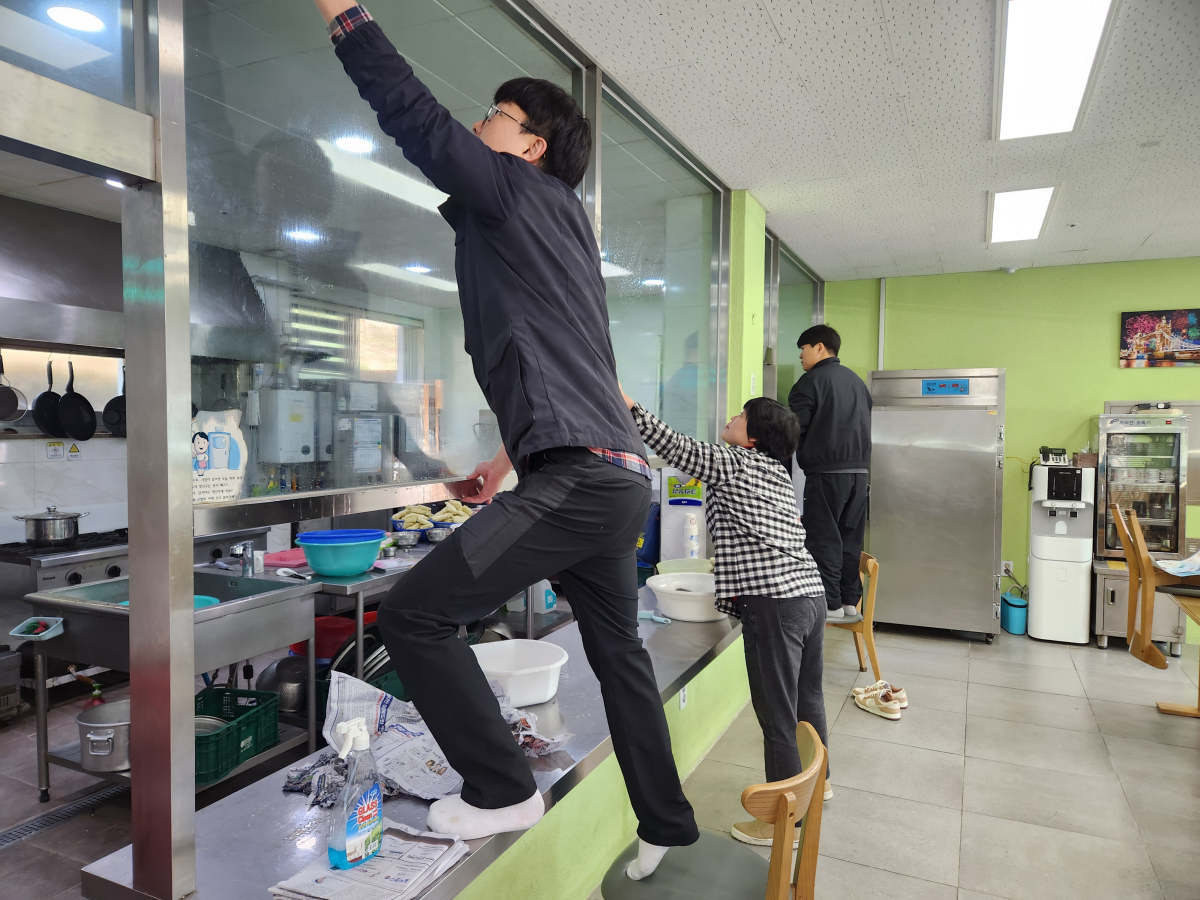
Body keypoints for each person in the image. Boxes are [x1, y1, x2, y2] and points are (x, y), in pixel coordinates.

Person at [310, 0, 698, 878]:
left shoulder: (515, 190)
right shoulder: (564, 232)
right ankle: (666, 822)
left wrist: (345, 16)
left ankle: (500, 788)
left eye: (496, 115)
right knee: (619, 658)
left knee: (414, 614)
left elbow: (412, 114)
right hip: (614, 478)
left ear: (530, 147)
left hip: (581, 480)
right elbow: (579, 373)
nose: (479, 123)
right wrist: (500, 462)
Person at [622, 390, 830, 848]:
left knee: (777, 715)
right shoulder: (776, 471)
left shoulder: (735, 462)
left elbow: (673, 444)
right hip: (810, 595)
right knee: (808, 700)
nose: (732, 417)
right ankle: (818, 785)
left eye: (741, 415)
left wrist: (627, 402)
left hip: (775, 602)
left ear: (753, 438)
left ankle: (784, 823)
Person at [787, 325, 872, 619]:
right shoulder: (856, 382)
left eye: (803, 348)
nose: (801, 355)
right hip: (859, 474)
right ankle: (848, 601)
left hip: (826, 473)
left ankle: (830, 604)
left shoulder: (810, 382)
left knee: (823, 537)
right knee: (850, 538)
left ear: (820, 347)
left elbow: (793, 430)